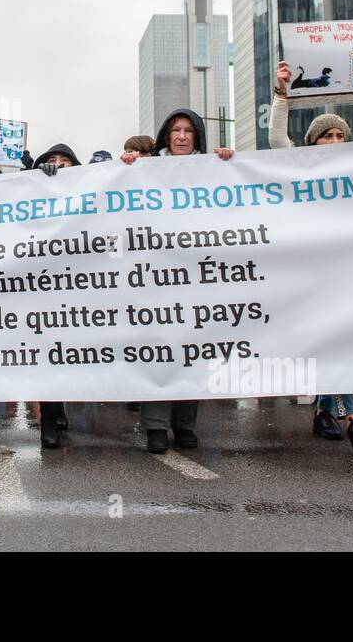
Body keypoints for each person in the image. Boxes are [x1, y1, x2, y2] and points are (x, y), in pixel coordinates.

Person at [269, 60, 353, 453]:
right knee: (335, 341)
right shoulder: (302, 172)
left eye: (339, 135)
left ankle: (324, 411)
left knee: (344, 342)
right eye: (325, 136)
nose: (334, 141)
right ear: (312, 146)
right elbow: (279, 141)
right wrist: (281, 95)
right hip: (314, 275)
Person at [125, 109, 234, 453]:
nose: (182, 136)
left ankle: (184, 425)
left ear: (198, 137)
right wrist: (124, 166)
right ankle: (156, 427)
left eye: (189, 131)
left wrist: (229, 164)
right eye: (176, 130)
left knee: (192, 352)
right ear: (166, 136)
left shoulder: (212, 169)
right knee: (158, 352)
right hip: (156, 277)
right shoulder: (146, 169)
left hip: (197, 279)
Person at [29, 143, 83, 448]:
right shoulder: (31, 191)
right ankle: (49, 419)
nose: (59, 165)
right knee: (48, 350)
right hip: (42, 286)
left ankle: (60, 408)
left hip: (79, 287)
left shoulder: (90, 192)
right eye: (53, 161)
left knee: (70, 352)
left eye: (66, 161)